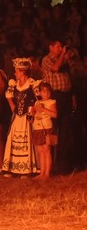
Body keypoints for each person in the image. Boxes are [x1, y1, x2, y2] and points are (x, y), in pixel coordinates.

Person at [1, 58, 39, 177]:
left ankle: (26, 169)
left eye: (16, 71)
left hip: (27, 116)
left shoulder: (32, 83)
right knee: (13, 139)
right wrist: (13, 106)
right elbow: (8, 96)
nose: (14, 73)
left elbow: (38, 100)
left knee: (26, 141)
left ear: (22, 72)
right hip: (17, 116)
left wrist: (32, 111)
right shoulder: (14, 84)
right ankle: (13, 168)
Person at [41, 39, 73, 171]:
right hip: (55, 96)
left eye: (61, 46)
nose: (60, 48)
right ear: (51, 47)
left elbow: (68, 77)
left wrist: (73, 96)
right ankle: (51, 163)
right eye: (58, 46)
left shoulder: (63, 60)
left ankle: (62, 161)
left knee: (65, 129)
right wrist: (62, 55)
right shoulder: (47, 59)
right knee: (53, 128)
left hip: (66, 95)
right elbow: (55, 68)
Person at [31, 82, 57, 180]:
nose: (46, 93)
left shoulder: (51, 102)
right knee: (40, 151)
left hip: (46, 128)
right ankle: (42, 173)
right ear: (40, 93)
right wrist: (32, 114)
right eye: (44, 91)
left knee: (46, 150)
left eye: (48, 91)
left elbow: (54, 114)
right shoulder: (37, 102)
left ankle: (47, 173)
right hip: (37, 129)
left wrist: (43, 109)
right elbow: (33, 115)